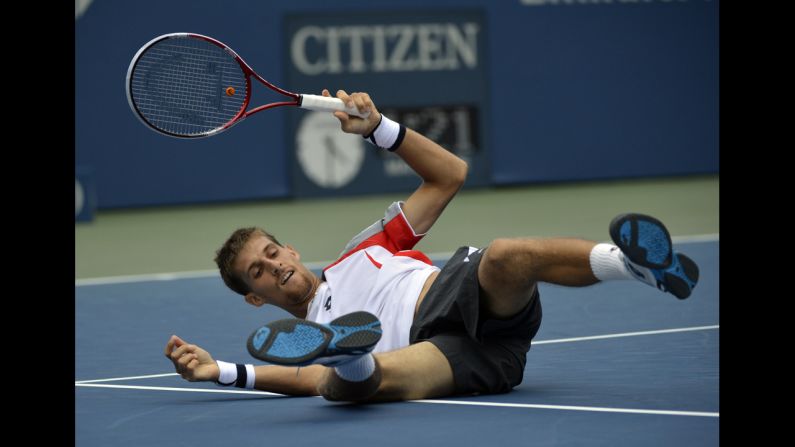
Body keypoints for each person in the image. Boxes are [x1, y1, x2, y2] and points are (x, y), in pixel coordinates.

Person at [164, 89, 699, 403]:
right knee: (339, 387)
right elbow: (301, 380)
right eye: (257, 272)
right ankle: (348, 355)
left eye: (273, 252)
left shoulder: (362, 250)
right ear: (254, 298)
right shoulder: (299, 340)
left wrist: (380, 129)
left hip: (452, 296)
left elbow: (449, 176)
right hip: (453, 355)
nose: (273, 266)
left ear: (293, 251)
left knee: (509, 254)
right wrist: (224, 372)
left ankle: (637, 265)